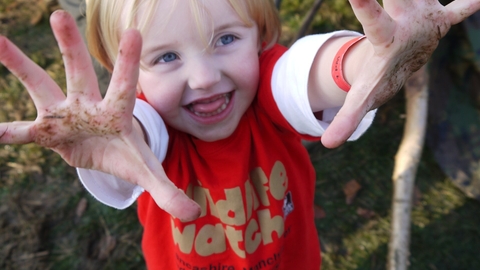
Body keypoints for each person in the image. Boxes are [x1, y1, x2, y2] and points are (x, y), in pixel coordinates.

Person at [0, 0, 478, 269]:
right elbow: (133, 143)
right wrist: (102, 144)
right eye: (166, 57)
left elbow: (303, 75)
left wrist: (366, 60)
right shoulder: (142, 128)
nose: (205, 77)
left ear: (260, 35)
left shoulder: (265, 93)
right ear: (127, 72)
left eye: (226, 39)